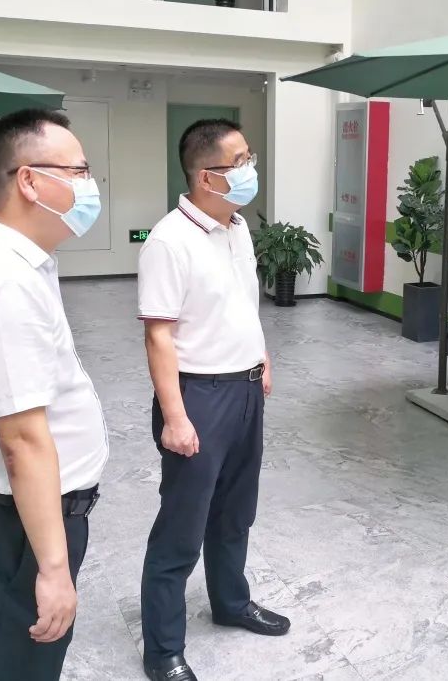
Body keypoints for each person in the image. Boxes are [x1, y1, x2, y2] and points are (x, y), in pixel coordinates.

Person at [0, 109, 109, 681]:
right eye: (79, 171)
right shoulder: (3, 281)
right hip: (8, 532)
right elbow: (23, 441)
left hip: (25, 521)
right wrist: (53, 569)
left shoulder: (22, 265)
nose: (90, 186)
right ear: (29, 180)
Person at [138, 118, 289, 681]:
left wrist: (261, 355)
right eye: (241, 161)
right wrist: (175, 417)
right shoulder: (168, 240)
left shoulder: (237, 227)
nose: (251, 170)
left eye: (250, 158)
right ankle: (163, 650)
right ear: (207, 176)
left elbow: (242, 303)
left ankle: (230, 602)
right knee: (182, 526)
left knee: (235, 512)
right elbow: (158, 335)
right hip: (199, 395)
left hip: (245, 388)